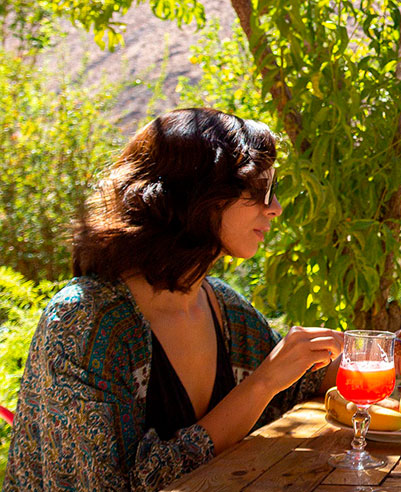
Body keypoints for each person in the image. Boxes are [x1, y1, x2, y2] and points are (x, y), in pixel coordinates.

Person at [3, 108, 345, 491]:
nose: (276, 207)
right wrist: (262, 384)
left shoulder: (223, 307)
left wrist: (388, 350)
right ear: (198, 196)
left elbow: (301, 375)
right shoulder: (86, 321)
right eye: (258, 190)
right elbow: (113, 485)